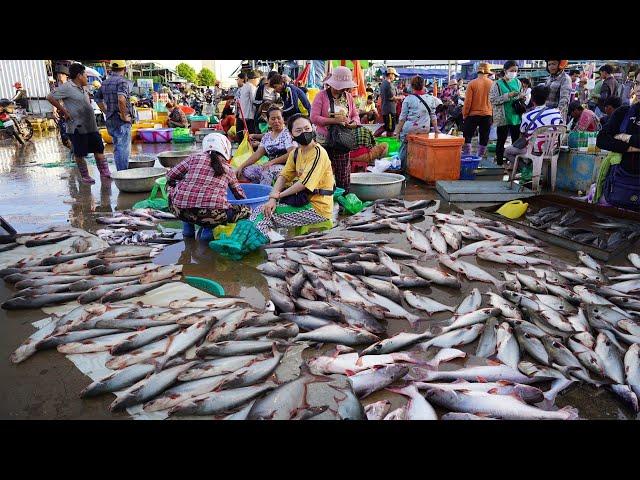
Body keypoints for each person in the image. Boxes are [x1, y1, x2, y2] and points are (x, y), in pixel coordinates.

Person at [251, 114, 336, 235]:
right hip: (303, 201)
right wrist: (272, 198)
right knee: (262, 208)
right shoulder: (296, 153)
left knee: (263, 215)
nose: (304, 133)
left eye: (307, 128)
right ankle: (260, 242)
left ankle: (263, 247)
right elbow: (283, 176)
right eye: (298, 130)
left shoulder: (318, 153)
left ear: (313, 128)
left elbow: (303, 184)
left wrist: (278, 196)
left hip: (317, 208)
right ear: (291, 135)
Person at [166, 133, 251, 241]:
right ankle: (208, 232)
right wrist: (246, 205)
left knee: (181, 196)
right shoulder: (228, 169)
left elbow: (170, 176)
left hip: (178, 209)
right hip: (212, 216)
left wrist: (180, 184)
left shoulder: (193, 158)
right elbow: (239, 195)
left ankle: (188, 231)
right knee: (246, 210)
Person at [46, 63, 111, 184]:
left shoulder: (83, 87)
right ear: (79, 75)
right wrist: (64, 110)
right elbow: (50, 97)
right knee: (80, 153)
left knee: (99, 149)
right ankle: (85, 176)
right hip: (77, 126)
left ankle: (105, 173)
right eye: (86, 75)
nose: (87, 78)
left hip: (91, 125)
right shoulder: (67, 87)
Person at [310, 66, 362, 192]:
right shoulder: (321, 96)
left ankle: (343, 198)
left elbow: (355, 115)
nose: (343, 89)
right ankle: (323, 198)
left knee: (343, 172)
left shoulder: (348, 97)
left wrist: (353, 123)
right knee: (322, 170)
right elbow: (313, 117)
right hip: (324, 140)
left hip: (342, 140)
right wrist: (334, 121)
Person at [595, 71, 640, 211]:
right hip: (623, 183)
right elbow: (602, 140)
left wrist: (624, 137)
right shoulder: (624, 112)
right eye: (638, 83)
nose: (638, 89)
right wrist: (630, 147)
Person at [504, 85, 565, 171]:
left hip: (534, 150)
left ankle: (526, 170)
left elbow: (523, 133)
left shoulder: (527, 116)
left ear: (532, 99)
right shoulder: (556, 113)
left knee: (507, 151)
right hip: (552, 149)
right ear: (546, 98)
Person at [236, 106, 297, 185]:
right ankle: (256, 190)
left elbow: (291, 153)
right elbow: (257, 154)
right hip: (270, 166)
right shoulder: (266, 137)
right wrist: (241, 166)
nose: (276, 121)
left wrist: (271, 162)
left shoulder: (288, 134)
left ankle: (266, 195)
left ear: (283, 119)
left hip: (287, 167)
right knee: (245, 171)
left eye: (279, 118)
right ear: (268, 121)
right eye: (273, 119)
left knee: (266, 172)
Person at [393, 75, 440, 170]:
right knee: (421, 150)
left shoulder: (408, 99)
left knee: (404, 148)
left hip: (410, 130)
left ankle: (402, 170)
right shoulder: (431, 99)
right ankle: (418, 169)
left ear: (412, 86)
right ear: (423, 85)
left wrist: (397, 132)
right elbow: (433, 116)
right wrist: (436, 130)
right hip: (424, 129)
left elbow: (402, 118)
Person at [94, 60, 134, 171]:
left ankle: (121, 173)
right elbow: (121, 99)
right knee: (122, 148)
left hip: (111, 119)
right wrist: (124, 115)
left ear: (111, 68)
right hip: (121, 121)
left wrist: (106, 111)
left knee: (118, 147)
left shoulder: (105, 82)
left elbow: (97, 98)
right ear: (124, 69)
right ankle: (123, 175)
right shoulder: (122, 82)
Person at [489, 60, 526, 166]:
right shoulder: (497, 84)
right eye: (512, 70)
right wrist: (508, 96)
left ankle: (513, 164)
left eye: (516, 71)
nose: (514, 73)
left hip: (516, 116)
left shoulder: (518, 82)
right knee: (501, 140)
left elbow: (519, 96)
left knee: (515, 142)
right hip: (503, 117)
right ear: (505, 71)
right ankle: (499, 163)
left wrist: (521, 96)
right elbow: (493, 100)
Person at [462, 62, 494, 157]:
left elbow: (468, 102)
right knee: (484, 137)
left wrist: (465, 114)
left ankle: (467, 156)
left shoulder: (472, 83)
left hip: (472, 114)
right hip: (488, 114)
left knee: (467, 136)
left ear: (478, 72)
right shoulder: (493, 84)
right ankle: (480, 157)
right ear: (488, 73)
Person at [50, 64, 72, 150]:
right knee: (64, 137)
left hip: (71, 113)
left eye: (62, 74)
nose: (60, 76)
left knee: (73, 135)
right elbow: (54, 99)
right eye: (59, 74)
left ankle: (77, 154)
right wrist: (54, 110)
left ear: (66, 76)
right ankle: (73, 151)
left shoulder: (70, 86)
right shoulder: (56, 87)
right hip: (61, 114)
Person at [235, 70, 261, 143]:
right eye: (258, 79)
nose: (258, 82)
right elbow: (254, 101)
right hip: (249, 116)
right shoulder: (251, 87)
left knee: (242, 137)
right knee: (251, 137)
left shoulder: (244, 87)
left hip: (242, 115)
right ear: (254, 79)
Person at [376, 67, 402, 137]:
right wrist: (400, 97)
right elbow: (391, 97)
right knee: (390, 128)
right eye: (394, 75)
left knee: (389, 127)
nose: (394, 77)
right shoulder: (388, 84)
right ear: (390, 74)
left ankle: (379, 136)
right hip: (389, 109)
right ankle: (376, 135)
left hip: (386, 108)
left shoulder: (383, 83)